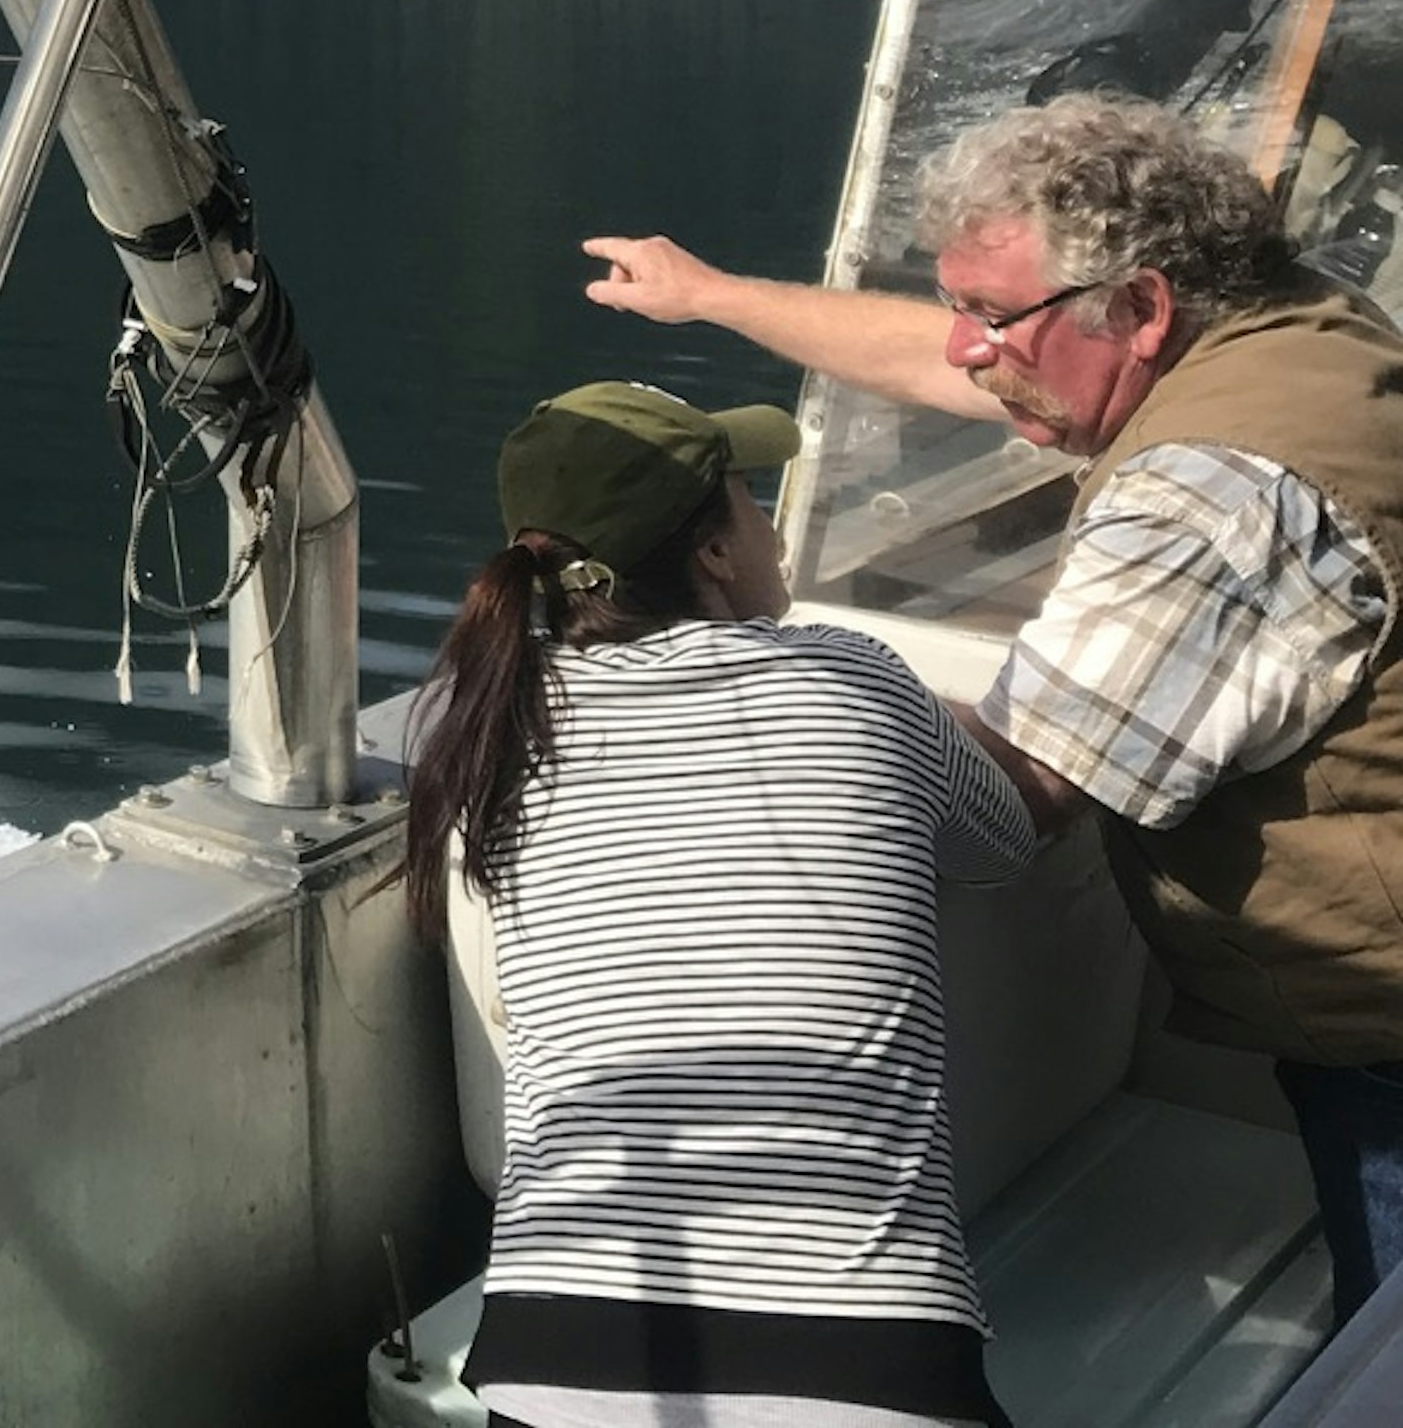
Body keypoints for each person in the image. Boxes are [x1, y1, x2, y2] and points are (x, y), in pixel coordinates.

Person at [588, 91, 1403, 1312]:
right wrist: (709, 295)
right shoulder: (1294, 328)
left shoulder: (1205, 499)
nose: (967, 345)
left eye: (990, 313)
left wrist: (764, 721)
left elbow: (1019, 788)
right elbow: (952, 362)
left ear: (1139, 308)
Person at [408, 381, 1036, 1428]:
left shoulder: (481, 731)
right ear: (712, 553)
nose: (772, 525)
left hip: (545, 1359)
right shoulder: (856, 677)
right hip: (865, 1365)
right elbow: (1005, 843)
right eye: (749, 496)